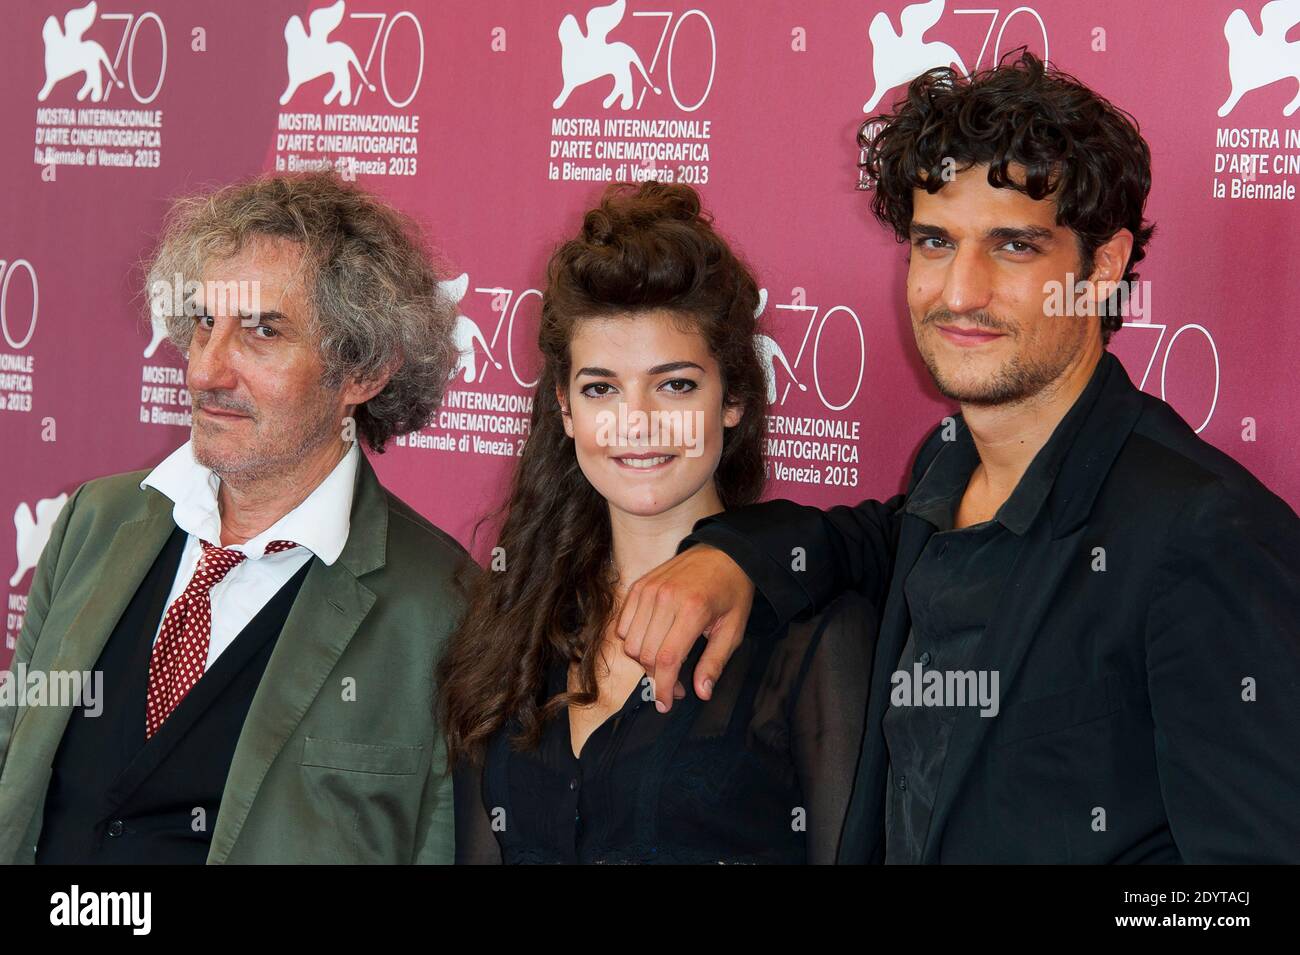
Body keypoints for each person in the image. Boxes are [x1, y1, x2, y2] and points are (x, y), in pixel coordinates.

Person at [613, 53, 1300, 863]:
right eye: (935, 242)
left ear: (1102, 268)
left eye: (1013, 246)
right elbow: (867, 541)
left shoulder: (1203, 534)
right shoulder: (947, 473)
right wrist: (729, 557)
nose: (960, 291)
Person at [0, 172, 469, 864]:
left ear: (363, 371)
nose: (205, 372)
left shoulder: (443, 608)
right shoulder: (93, 522)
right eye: (203, 324)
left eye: (262, 331)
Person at [440, 181, 874, 864]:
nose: (635, 422)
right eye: (601, 388)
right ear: (565, 410)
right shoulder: (509, 624)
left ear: (733, 397)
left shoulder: (817, 635)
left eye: (674, 384)